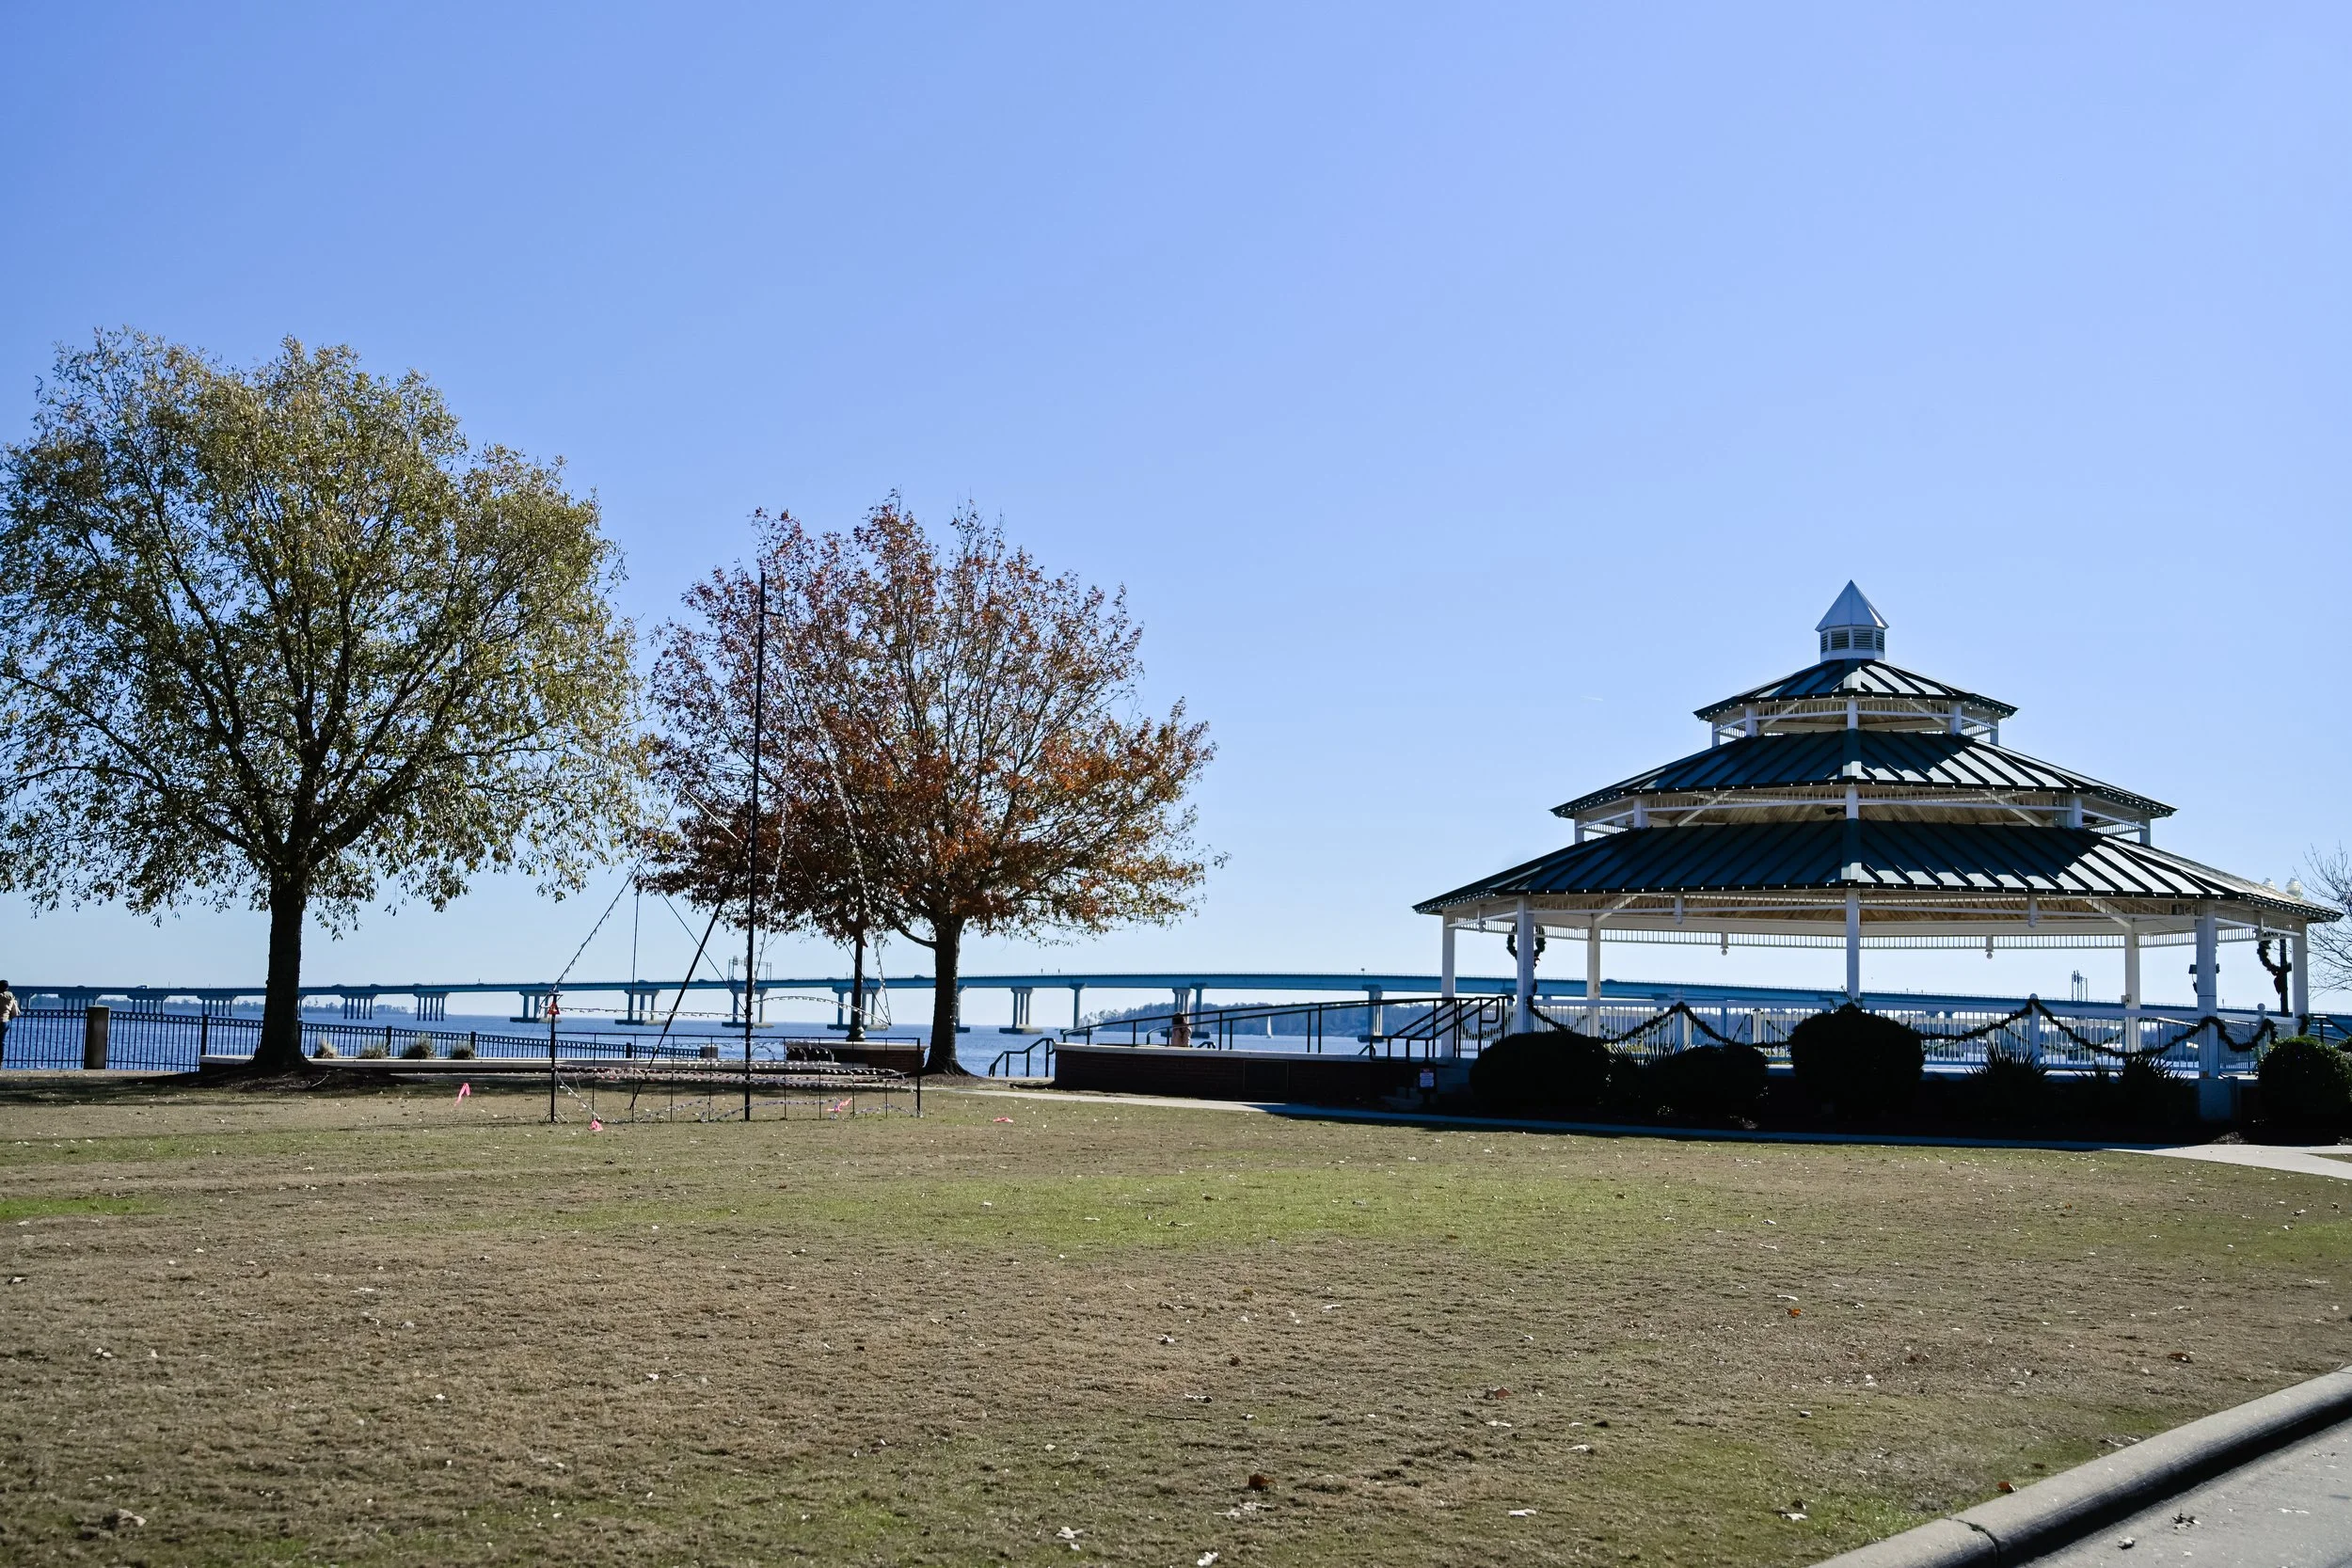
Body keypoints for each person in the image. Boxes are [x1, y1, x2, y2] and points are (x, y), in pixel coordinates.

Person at [0, 980, 17, 1067]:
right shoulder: (11, 997)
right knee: (2, 1042)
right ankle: (0, 1062)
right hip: (6, 1021)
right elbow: (15, 1012)